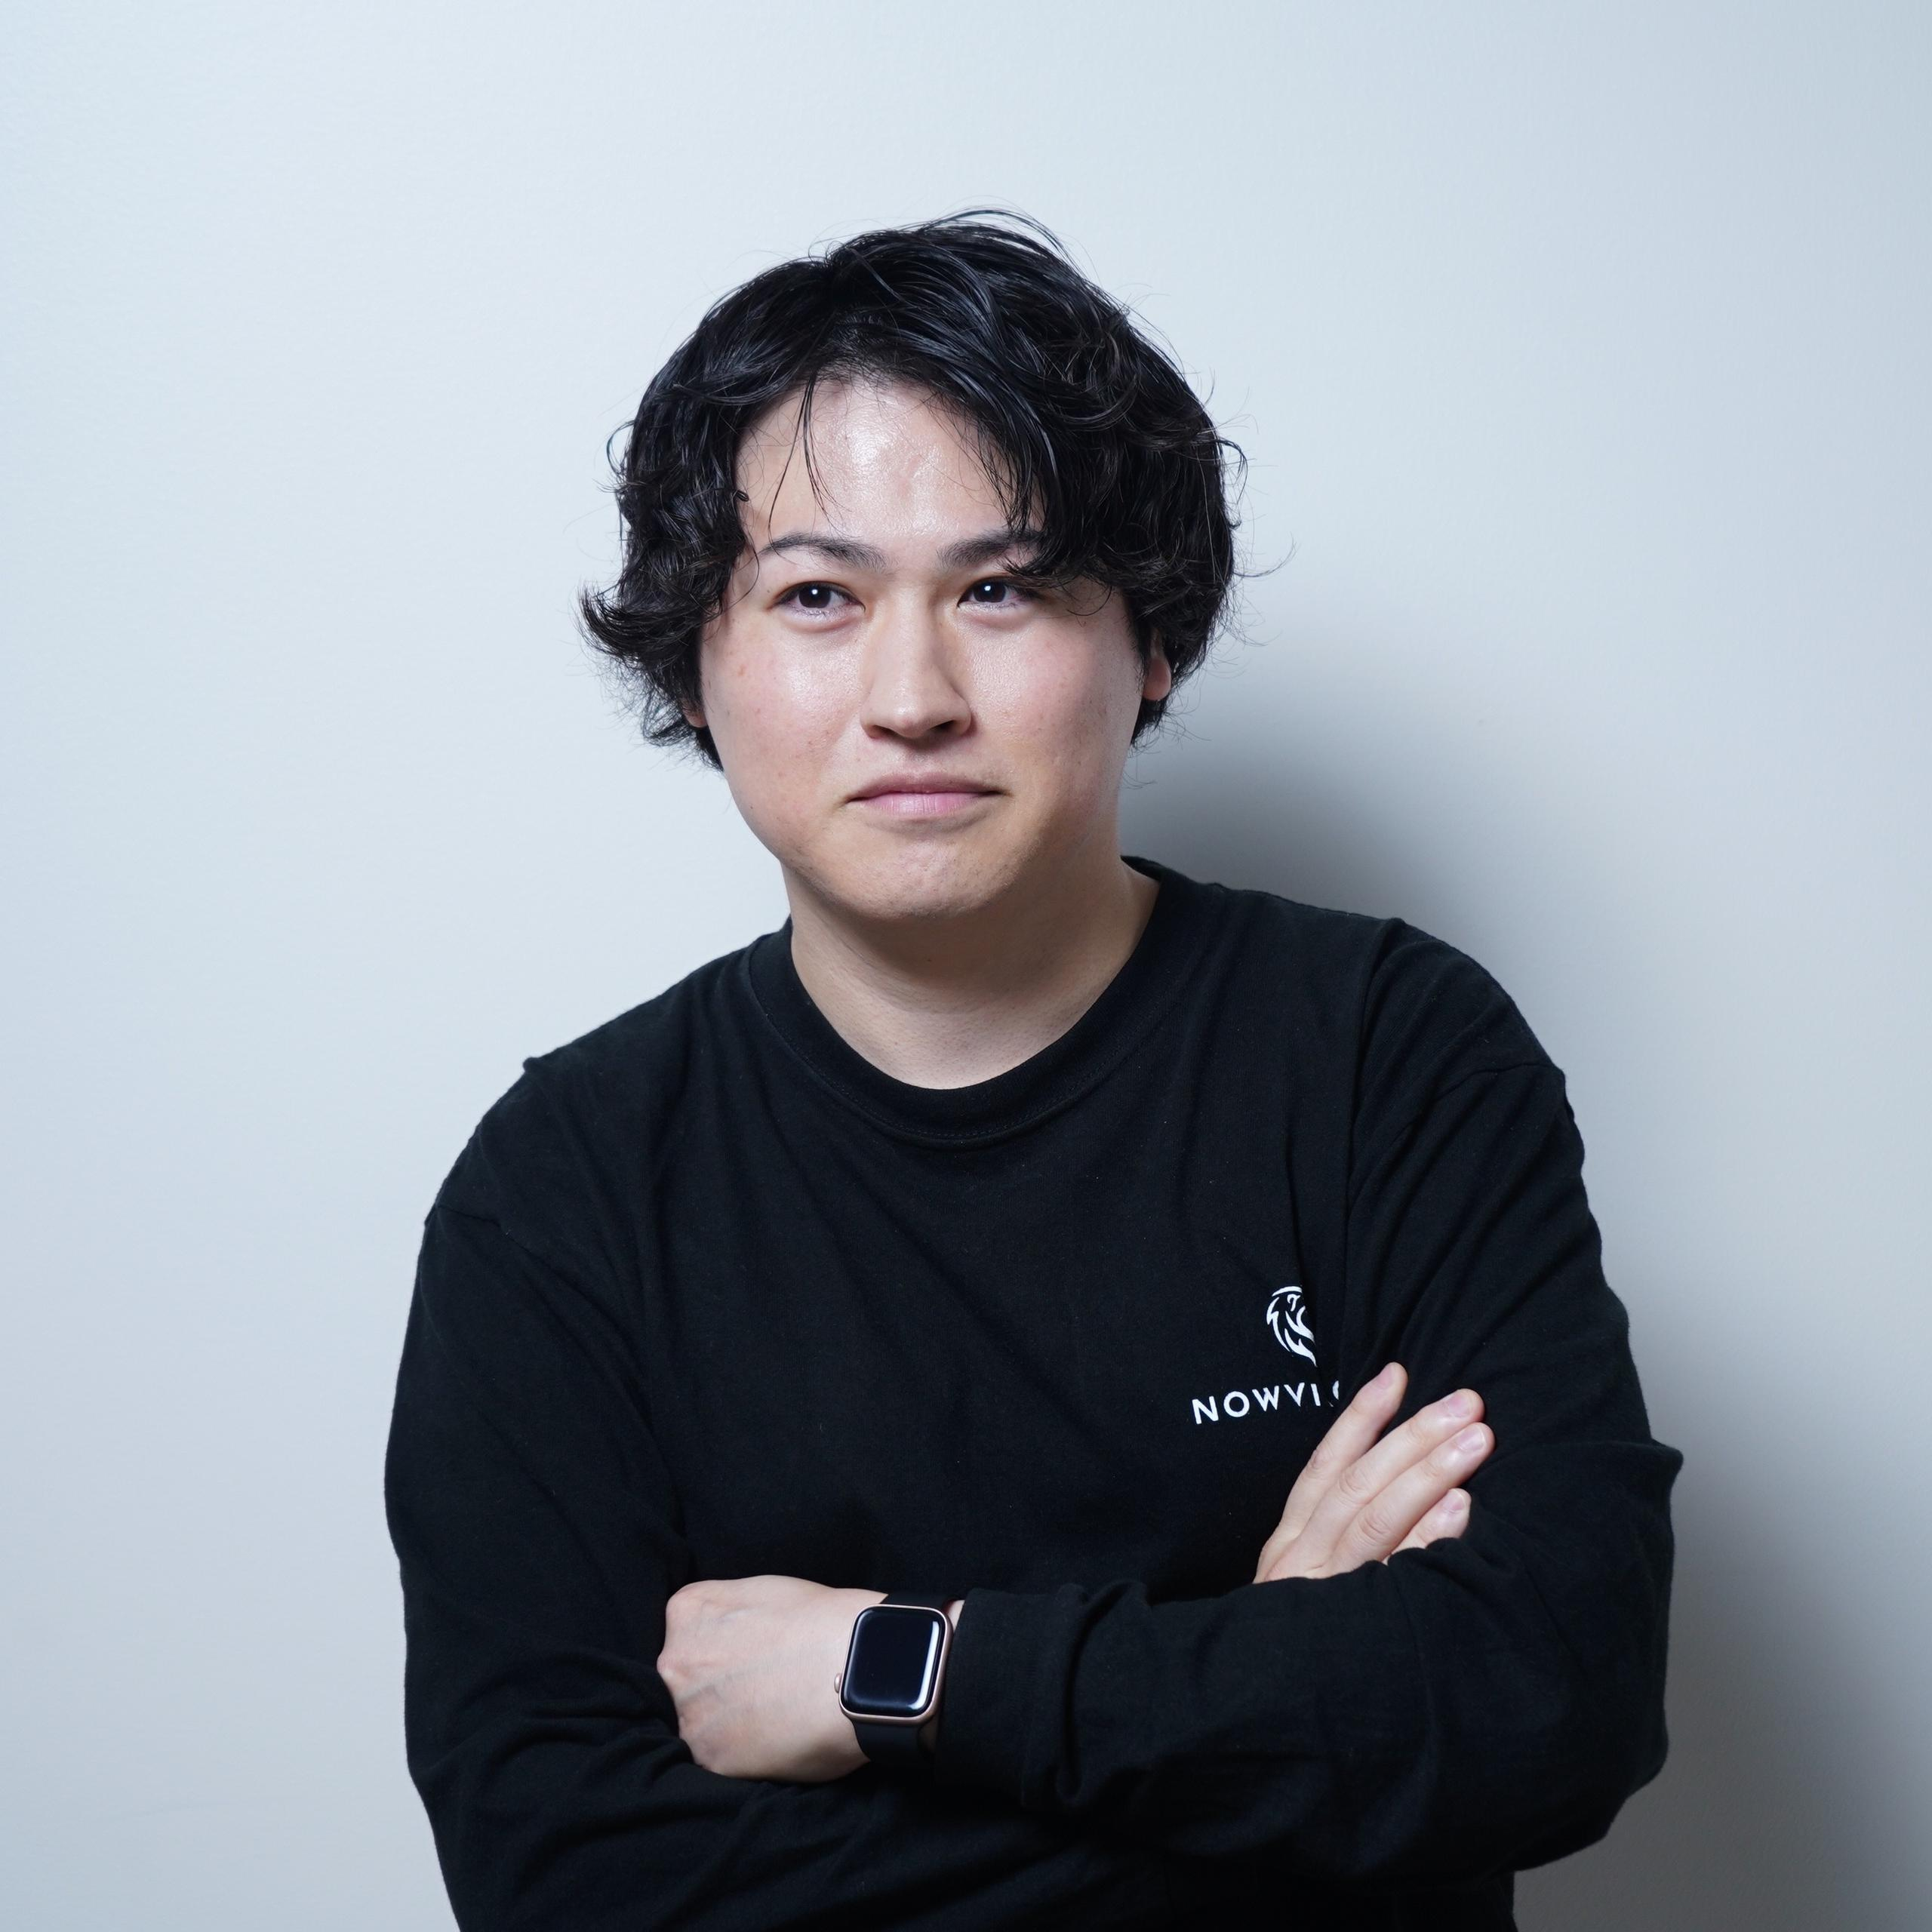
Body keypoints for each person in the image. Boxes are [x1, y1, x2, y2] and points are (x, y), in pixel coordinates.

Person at [383, 211, 1681, 1931]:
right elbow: (568, 1884)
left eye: (1000, 588)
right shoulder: (566, 1190)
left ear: (1152, 641)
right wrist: (1268, 1689)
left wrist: (898, 1675)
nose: (912, 694)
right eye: (818, 596)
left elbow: (1549, 1695)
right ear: (699, 659)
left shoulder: (1384, 1051)